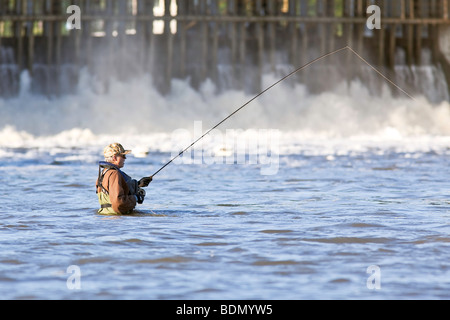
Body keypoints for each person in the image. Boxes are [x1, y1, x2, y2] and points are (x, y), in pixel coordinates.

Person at [96, 143, 152, 215]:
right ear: (114, 158)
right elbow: (118, 203)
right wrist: (136, 198)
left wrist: (138, 184)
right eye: (123, 155)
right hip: (116, 217)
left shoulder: (103, 173)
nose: (125, 158)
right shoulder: (114, 174)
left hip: (106, 215)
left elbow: (112, 192)